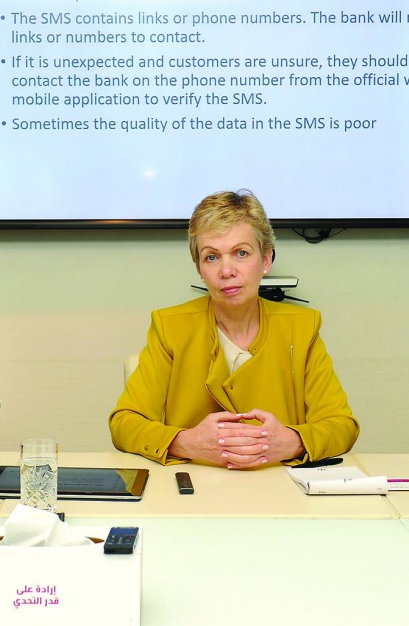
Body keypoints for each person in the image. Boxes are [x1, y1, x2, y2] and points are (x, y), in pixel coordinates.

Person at [109, 190, 359, 468]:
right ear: (199, 268)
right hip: (195, 482)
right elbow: (124, 423)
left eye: (241, 253)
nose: (226, 271)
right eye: (211, 257)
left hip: (277, 483)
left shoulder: (301, 327)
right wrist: (186, 442)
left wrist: (291, 442)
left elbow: (341, 425)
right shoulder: (170, 326)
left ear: (266, 260)